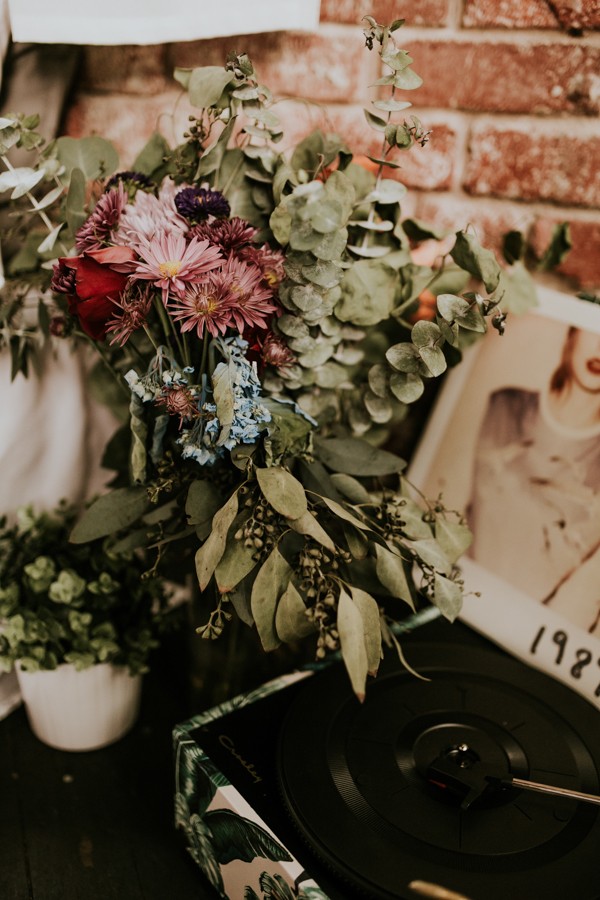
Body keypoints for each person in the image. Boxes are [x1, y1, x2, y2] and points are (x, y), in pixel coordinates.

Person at [467, 326, 600, 634]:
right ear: (572, 334)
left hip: (529, 643)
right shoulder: (504, 405)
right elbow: (473, 519)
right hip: (455, 604)